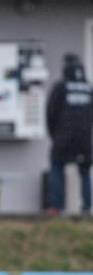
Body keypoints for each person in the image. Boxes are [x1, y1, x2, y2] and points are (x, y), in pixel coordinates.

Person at [46, 53, 92, 214]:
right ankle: (87, 206)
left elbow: (51, 113)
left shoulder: (61, 86)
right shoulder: (89, 87)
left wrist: (54, 135)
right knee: (85, 170)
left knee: (57, 166)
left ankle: (56, 206)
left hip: (63, 135)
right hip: (85, 137)